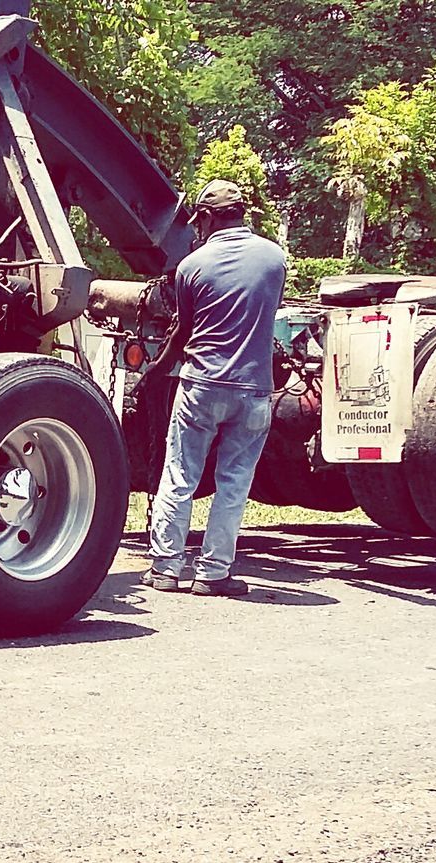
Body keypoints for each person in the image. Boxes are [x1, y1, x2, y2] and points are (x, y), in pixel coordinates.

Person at [137, 178, 287, 596]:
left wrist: (153, 371)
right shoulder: (275, 259)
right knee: (234, 483)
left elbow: (181, 332)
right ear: (243, 212)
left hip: (201, 385)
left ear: (204, 218)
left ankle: (166, 569)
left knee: (180, 475)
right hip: (255, 389)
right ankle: (213, 574)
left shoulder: (191, 266)